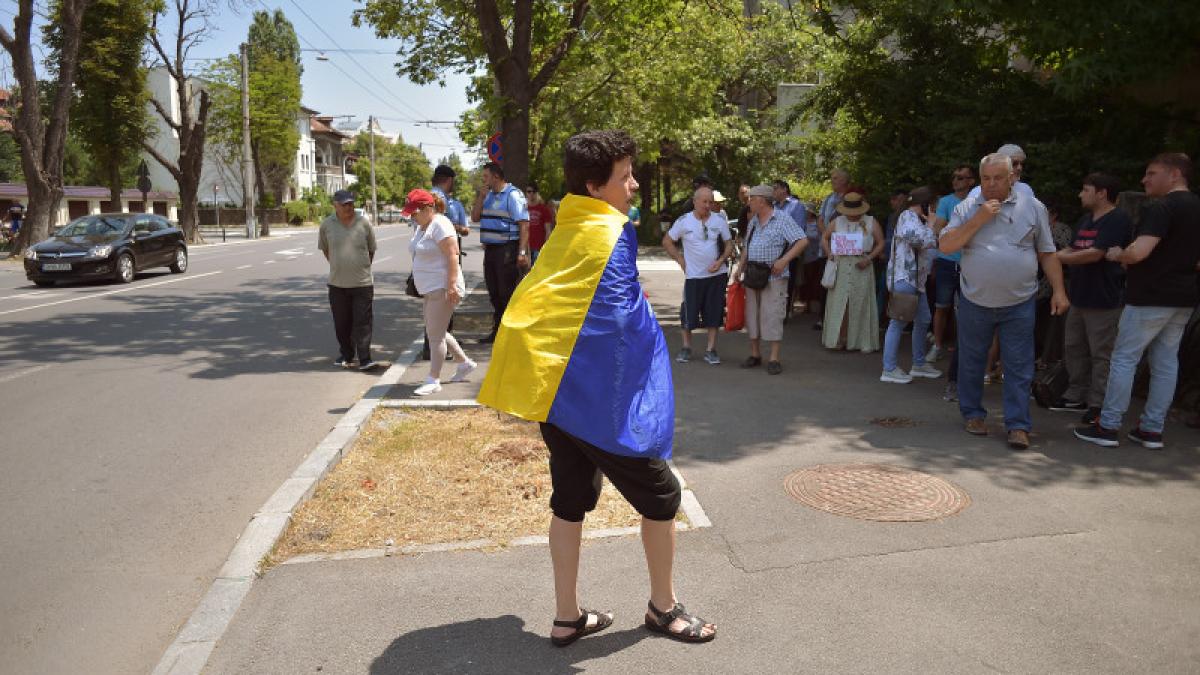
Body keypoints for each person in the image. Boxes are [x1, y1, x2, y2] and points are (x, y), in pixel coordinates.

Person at [477, 129, 715, 646]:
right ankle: (663, 608)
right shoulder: (610, 232)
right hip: (597, 405)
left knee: (570, 500)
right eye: (624, 176)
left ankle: (567, 617)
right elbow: (621, 325)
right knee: (662, 495)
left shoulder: (566, 230)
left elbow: (551, 305)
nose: (633, 187)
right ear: (594, 185)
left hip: (557, 399)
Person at [941, 153, 1068, 450]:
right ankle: (973, 414)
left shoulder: (1033, 208)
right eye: (986, 178)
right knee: (972, 363)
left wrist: (1060, 291)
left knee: (1019, 365)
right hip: (975, 299)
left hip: (1020, 300)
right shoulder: (967, 207)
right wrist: (979, 218)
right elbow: (946, 245)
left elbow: (1047, 253)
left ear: (1012, 178)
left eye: (998, 178)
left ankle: (1018, 425)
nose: (992, 184)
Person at [1075, 153, 1200, 449]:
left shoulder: (1162, 207)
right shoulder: (1197, 207)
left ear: (1174, 175)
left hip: (1149, 296)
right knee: (1166, 362)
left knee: (1124, 359)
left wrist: (1120, 254)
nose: (1145, 179)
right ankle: (1151, 429)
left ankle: (1108, 426)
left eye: (1152, 173)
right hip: (1183, 298)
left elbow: (1139, 252)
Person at [1050, 173, 1132, 425]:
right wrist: (1059, 256)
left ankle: (1098, 403)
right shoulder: (1086, 219)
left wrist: (1052, 259)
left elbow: (1094, 254)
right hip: (1079, 296)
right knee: (1074, 348)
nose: (1080, 194)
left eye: (1085, 190)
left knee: (1101, 353)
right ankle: (1076, 394)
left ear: (1101, 193)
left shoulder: (1118, 219)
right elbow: (1074, 248)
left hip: (1105, 299)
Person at [403, 189, 477, 396]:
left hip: (443, 287)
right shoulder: (422, 226)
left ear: (428, 208)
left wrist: (451, 285)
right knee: (437, 331)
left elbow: (453, 254)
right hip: (430, 287)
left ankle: (433, 379)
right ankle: (465, 363)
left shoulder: (440, 224)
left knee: (435, 336)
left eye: (415, 212)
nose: (412, 216)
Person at [733, 184, 808, 375]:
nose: (748, 202)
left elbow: (802, 240)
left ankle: (774, 358)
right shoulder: (754, 221)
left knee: (773, 314)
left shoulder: (782, 219)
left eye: (751, 199)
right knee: (753, 314)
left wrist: (784, 260)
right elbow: (747, 248)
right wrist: (739, 268)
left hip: (774, 276)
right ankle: (755, 354)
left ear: (762, 201)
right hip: (752, 274)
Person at [663, 186, 733, 365]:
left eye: (711, 202)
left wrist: (721, 260)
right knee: (688, 313)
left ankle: (711, 350)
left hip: (717, 275)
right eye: (704, 201)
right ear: (695, 202)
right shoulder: (684, 221)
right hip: (694, 277)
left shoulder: (719, 220)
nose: (708, 205)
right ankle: (686, 347)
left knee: (714, 313)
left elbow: (729, 243)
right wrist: (680, 259)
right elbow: (667, 241)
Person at [880, 187, 941, 383]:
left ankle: (919, 364)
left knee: (923, 319)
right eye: (932, 205)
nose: (934, 210)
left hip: (916, 282)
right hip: (905, 278)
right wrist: (932, 226)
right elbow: (920, 241)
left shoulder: (915, 219)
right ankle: (888, 369)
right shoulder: (908, 216)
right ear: (923, 204)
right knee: (898, 322)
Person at [318, 189, 379, 371]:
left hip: (362, 283)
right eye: (344, 204)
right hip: (337, 284)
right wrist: (339, 265)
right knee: (342, 323)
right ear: (335, 206)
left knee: (363, 322)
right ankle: (346, 353)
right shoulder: (327, 225)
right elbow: (326, 250)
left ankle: (365, 358)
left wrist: (360, 266)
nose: (349, 207)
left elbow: (371, 250)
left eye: (351, 203)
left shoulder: (364, 223)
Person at [471, 162, 530, 343]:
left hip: (507, 249)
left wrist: (521, 252)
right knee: (494, 291)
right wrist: (481, 198)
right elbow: (474, 217)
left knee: (506, 292)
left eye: (486, 177)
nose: (484, 180)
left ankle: (509, 333)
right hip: (491, 250)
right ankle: (497, 331)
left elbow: (524, 225)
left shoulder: (512, 195)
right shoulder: (487, 195)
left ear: (496, 176)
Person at [821, 191, 883, 352]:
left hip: (861, 264)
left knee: (860, 301)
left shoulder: (870, 222)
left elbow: (881, 242)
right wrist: (829, 254)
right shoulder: (837, 221)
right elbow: (825, 238)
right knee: (839, 302)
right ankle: (838, 338)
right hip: (841, 266)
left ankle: (860, 340)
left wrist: (869, 258)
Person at [929, 165, 976, 363]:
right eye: (954, 177)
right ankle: (937, 345)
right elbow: (938, 227)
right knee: (942, 306)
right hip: (948, 261)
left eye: (961, 177)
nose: (956, 180)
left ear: (971, 181)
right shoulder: (947, 201)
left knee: (967, 309)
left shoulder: (977, 202)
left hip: (970, 263)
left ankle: (962, 349)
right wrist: (959, 235)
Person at [968, 143, 1035, 200]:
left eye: (1022, 164)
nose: (1019, 168)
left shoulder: (1025, 189)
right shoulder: (977, 193)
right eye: (1014, 163)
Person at [526, 182, 556, 265]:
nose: (531, 194)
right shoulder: (523, 209)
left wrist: (546, 246)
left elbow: (548, 230)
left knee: (536, 270)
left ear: (537, 193)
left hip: (539, 247)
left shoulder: (544, 209)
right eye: (529, 191)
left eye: (534, 191)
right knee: (525, 273)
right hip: (526, 246)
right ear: (526, 193)